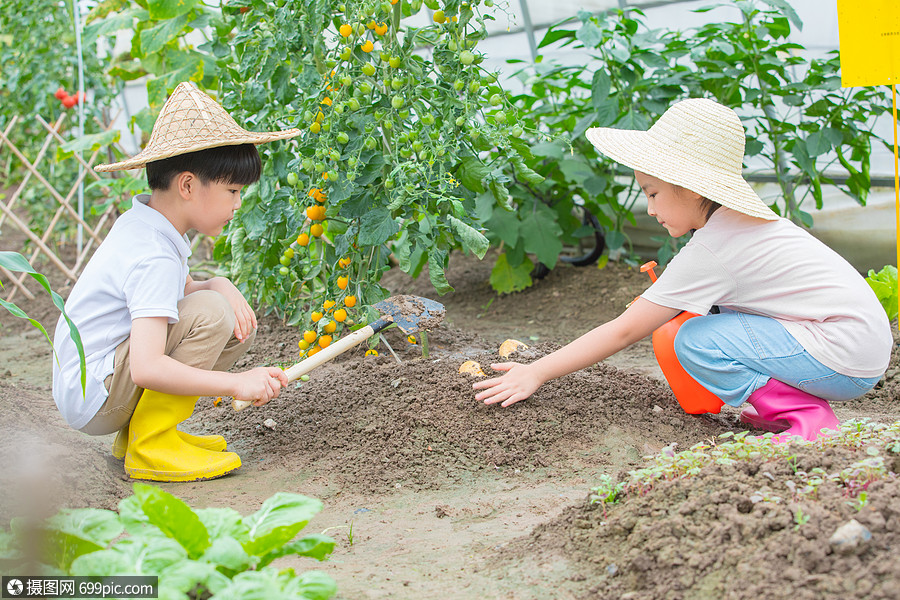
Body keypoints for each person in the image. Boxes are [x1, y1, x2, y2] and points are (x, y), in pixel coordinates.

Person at [473, 98, 892, 441]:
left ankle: (806, 419)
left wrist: (537, 371)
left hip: (843, 356)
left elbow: (624, 330)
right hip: (857, 348)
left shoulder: (714, 249)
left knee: (695, 340)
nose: (650, 209)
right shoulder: (740, 228)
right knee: (710, 321)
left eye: (652, 194)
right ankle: (782, 410)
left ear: (691, 187)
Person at [51, 82, 298, 481]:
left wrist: (219, 283)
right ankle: (152, 445)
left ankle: (140, 437)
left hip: (98, 382)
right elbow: (147, 367)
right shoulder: (152, 252)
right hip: (96, 398)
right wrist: (235, 384)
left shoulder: (151, 226)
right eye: (232, 190)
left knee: (233, 320)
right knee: (214, 315)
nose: (238, 204)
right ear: (186, 185)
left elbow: (179, 298)